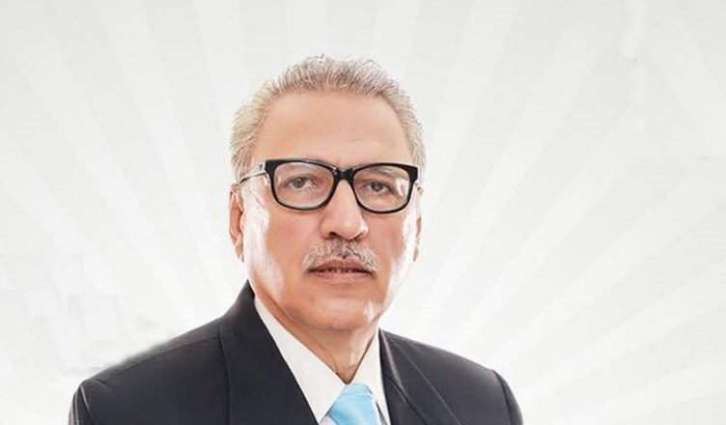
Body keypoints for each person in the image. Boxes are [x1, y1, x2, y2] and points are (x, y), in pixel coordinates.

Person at [68, 55, 523, 425]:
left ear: (416, 224)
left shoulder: (481, 404)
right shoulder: (129, 412)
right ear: (239, 218)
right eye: (302, 182)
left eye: (377, 185)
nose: (346, 223)